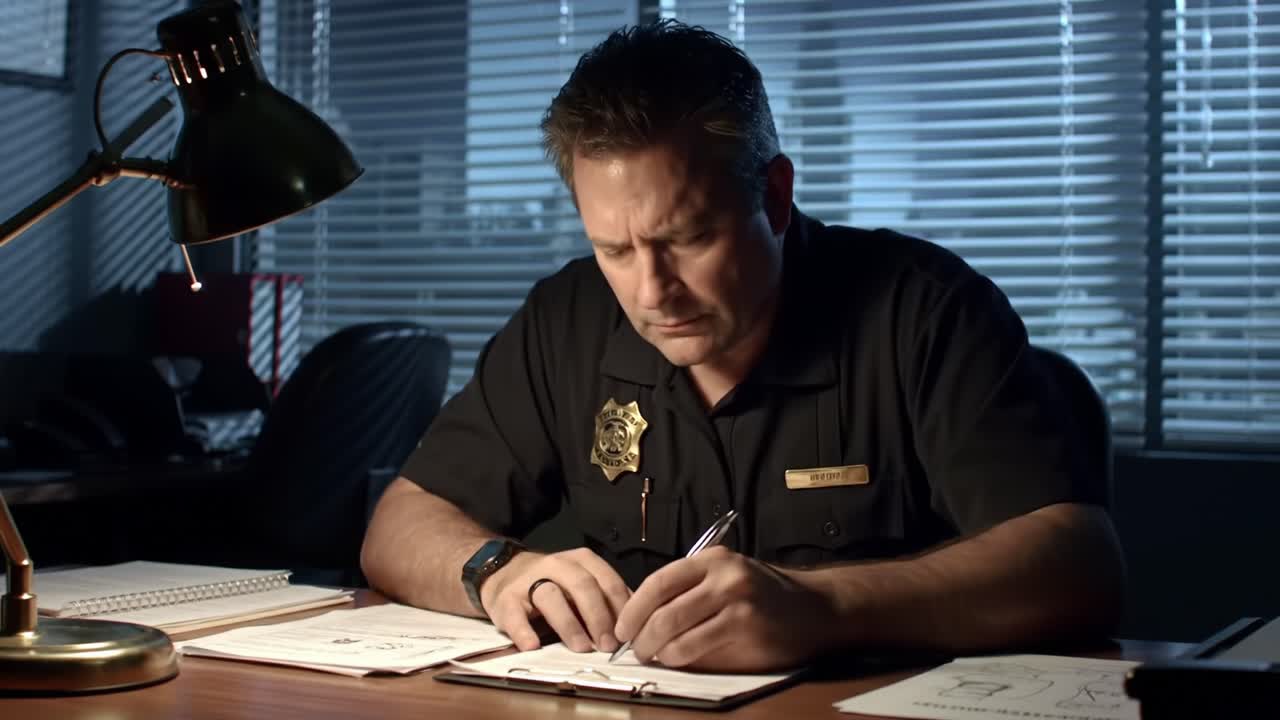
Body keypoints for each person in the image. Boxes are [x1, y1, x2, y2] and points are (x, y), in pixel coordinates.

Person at [361, 20, 1126, 673]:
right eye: (615, 250)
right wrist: (497, 572)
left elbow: (1077, 566)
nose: (652, 291)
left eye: (687, 238)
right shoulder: (568, 316)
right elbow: (401, 523)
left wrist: (823, 606)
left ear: (777, 195)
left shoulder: (924, 308)